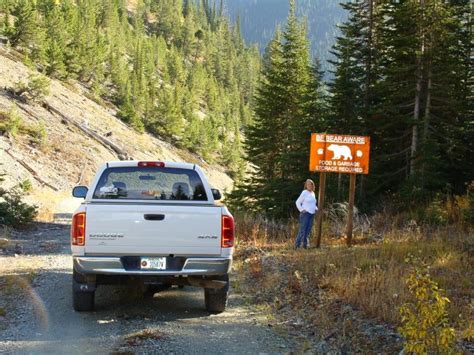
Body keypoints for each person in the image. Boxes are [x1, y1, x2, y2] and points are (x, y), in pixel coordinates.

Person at [295, 179, 318, 249]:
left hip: (312, 214)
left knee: (308, 231)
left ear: (313, 185)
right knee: (302, 230)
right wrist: (302, 210)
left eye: (311, 184)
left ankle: (305, 246)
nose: (309, 185)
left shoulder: (313, 193)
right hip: (305, 214)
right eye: (308, 184)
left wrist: (316, 208)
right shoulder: (304, 192)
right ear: (306, 186)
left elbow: (313, 203)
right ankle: (297, 246)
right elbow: (297, 202)